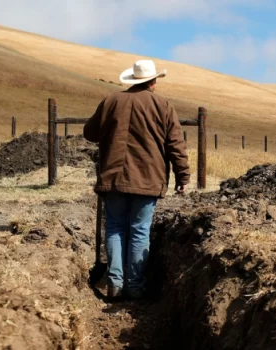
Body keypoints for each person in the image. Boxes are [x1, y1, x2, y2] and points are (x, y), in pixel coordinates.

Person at [83, 59, 191, 300]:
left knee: (115, 228)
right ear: (153, 81)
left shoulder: (111, 101)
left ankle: (115, 284)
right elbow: (175, 145)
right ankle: (135, 287)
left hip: (113, 177)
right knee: (140, 231)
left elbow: (89, 133)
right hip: (147, 178)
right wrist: (182, 175)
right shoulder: (163, 105)